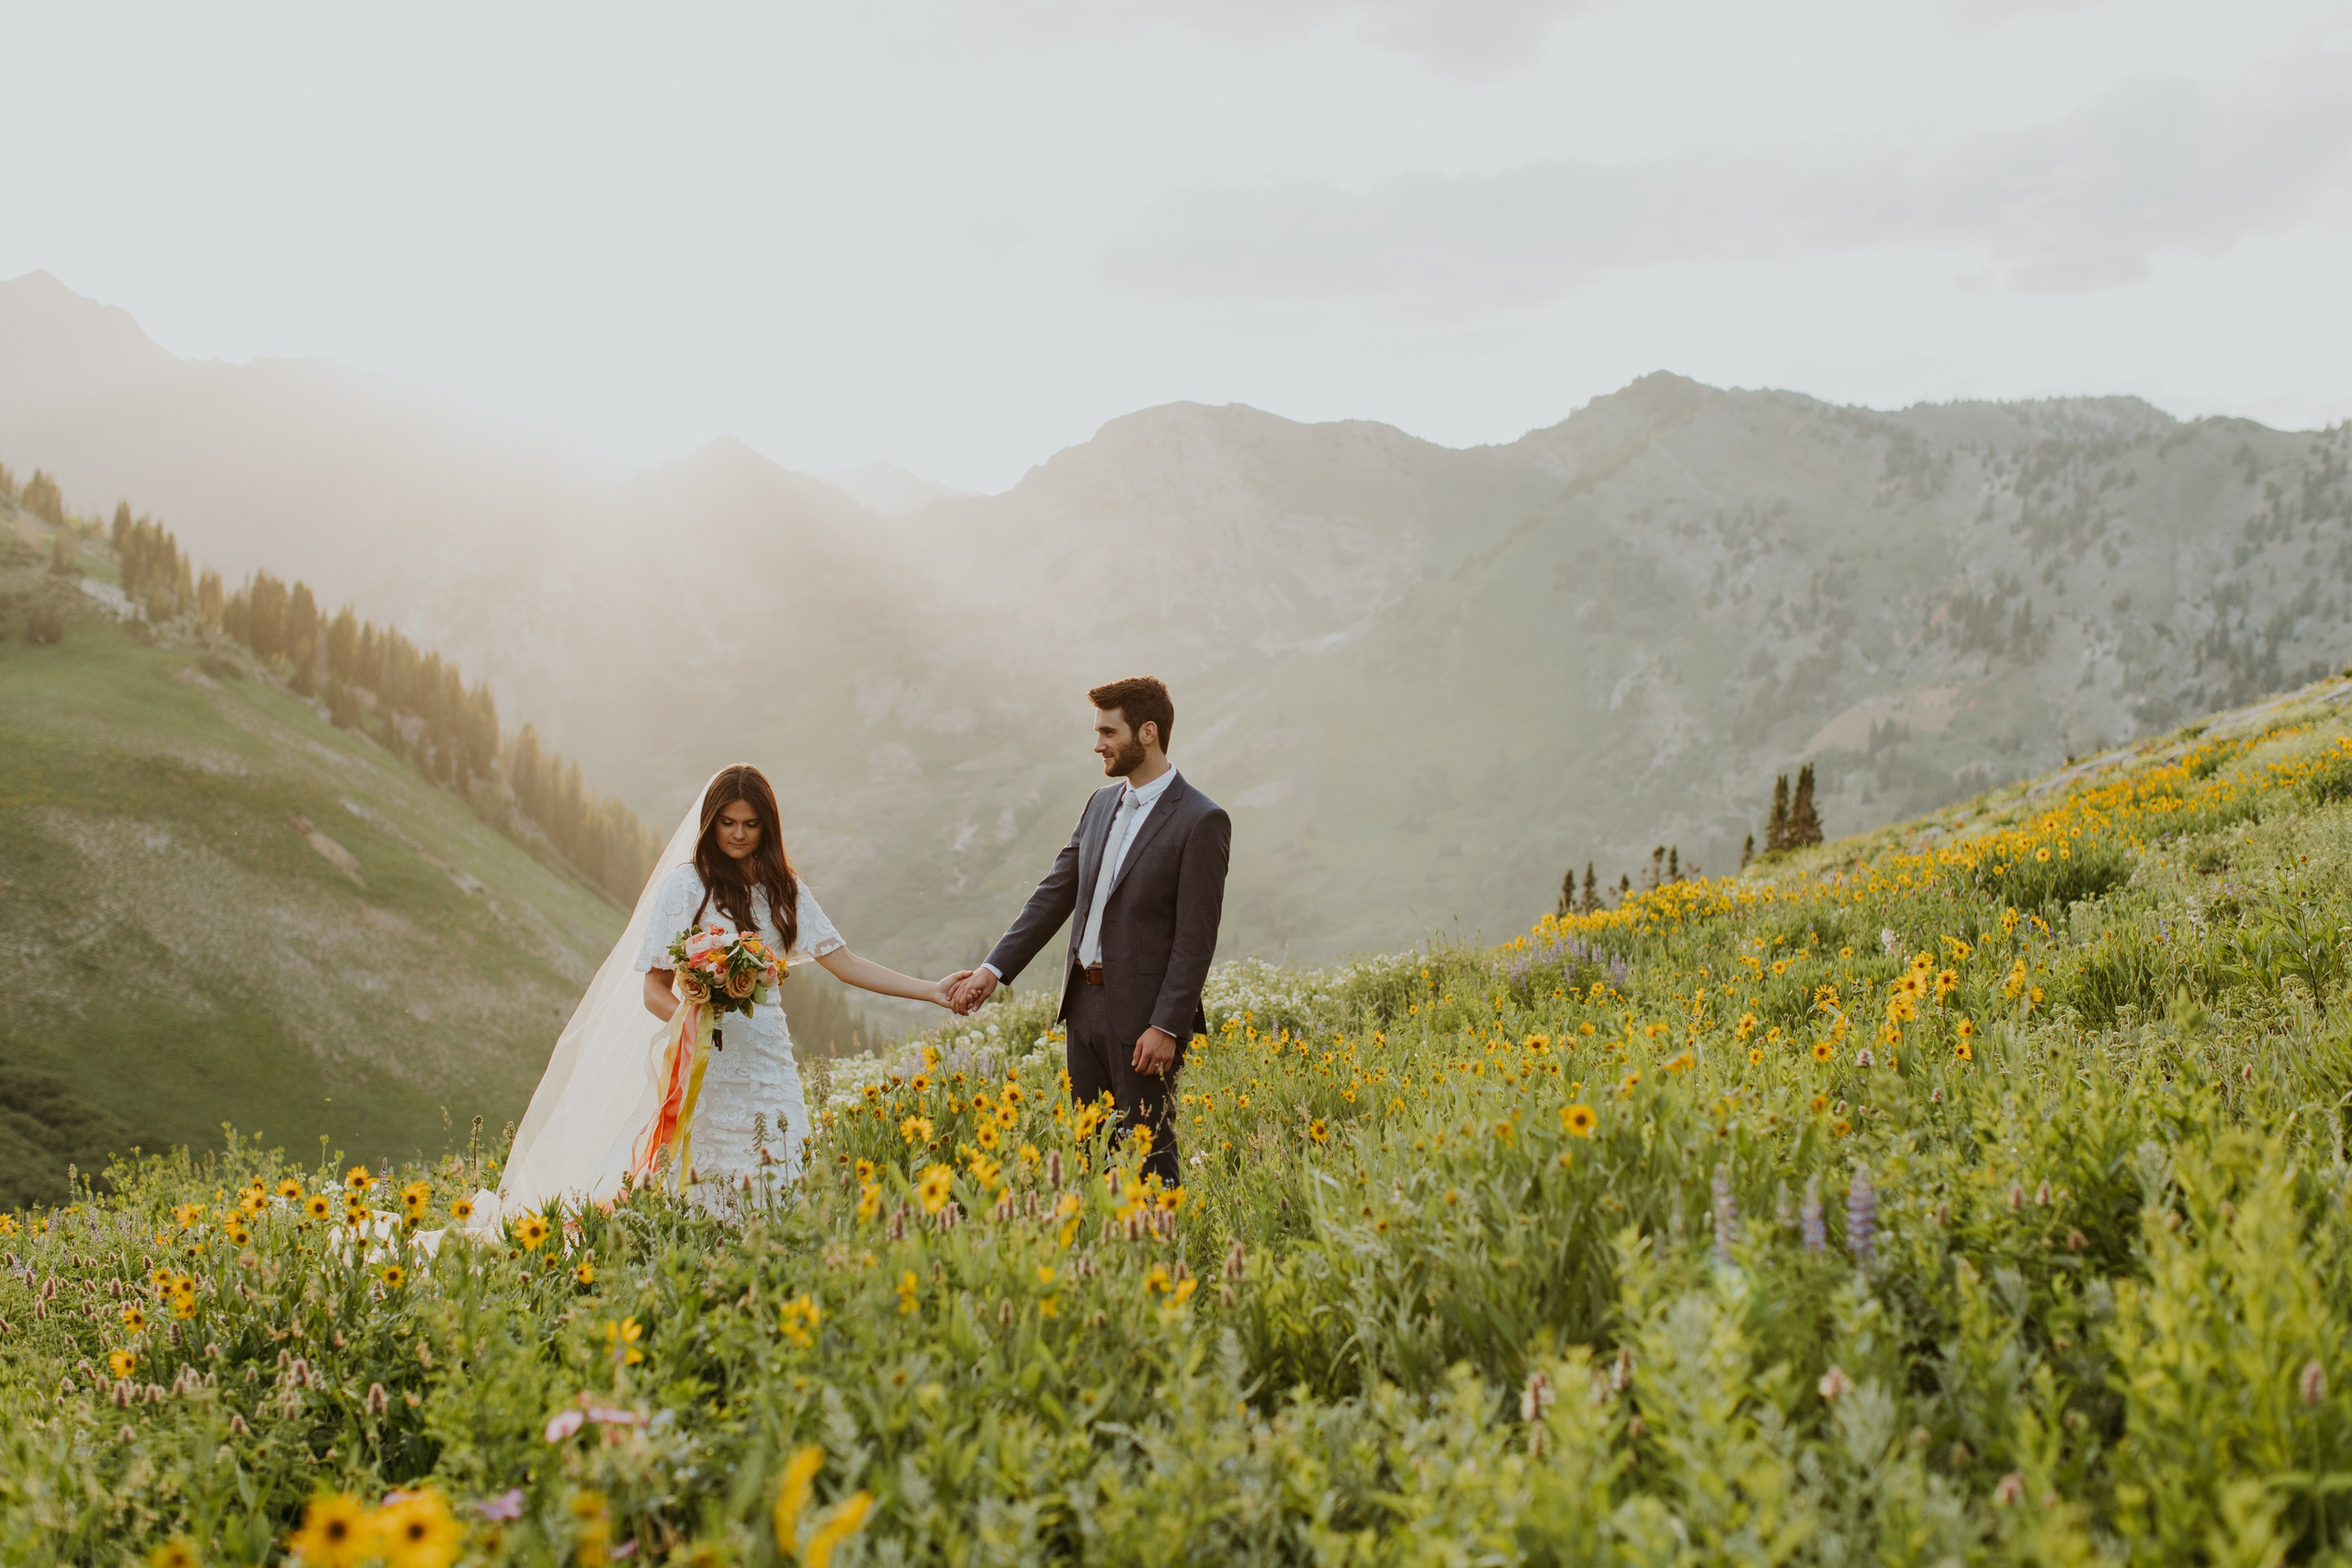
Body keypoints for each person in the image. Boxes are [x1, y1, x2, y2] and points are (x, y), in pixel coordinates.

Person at [476, 764, 959, 1224]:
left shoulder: (784, 890)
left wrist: (933, 991)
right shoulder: (686, 887)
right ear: (710, 823)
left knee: (783, 1181)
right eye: (727, 822)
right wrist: (698, 1023)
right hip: (707, 1066)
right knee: (706, 1188)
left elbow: (847, 963)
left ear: (767, 827)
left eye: (751, 824)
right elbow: (653, 990)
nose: (738, 833)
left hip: (771, 1066)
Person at [949, 677, 1230, 1189]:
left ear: (1148, 733)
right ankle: (1102, 1259)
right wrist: (993, 970)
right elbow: (1053, 894)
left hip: (1146, 1022)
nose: (1097, 743)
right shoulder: (1100, 803)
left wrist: (1167, 1026)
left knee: (1150, 1155)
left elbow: (1196, 939)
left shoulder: (1201, 820)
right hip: (1083, 1008)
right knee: (1090, 1154)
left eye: (1107, 731)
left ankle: (1163, 1255)